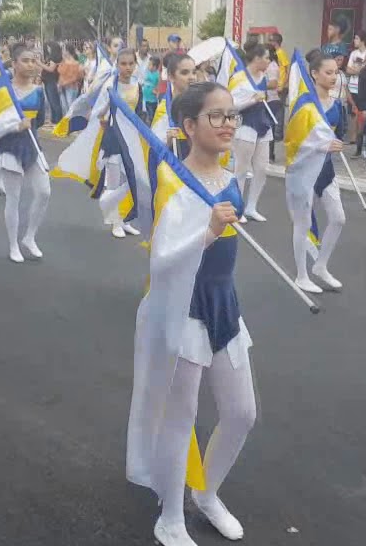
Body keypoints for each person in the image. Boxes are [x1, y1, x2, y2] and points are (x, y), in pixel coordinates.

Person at [126, 81, 256, 546]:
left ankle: (207, 493)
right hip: (184, 307)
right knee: (181, 416)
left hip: (225, 303)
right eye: (216, 116)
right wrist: (208, 230)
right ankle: (170, 516)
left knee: (242, 412)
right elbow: (160, 260)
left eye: (231, 115)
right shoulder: (174, 183)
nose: (227, 124)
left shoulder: (229, 178)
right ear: (188, 126)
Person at [287, 51, 347, 294]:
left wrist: (334, 145)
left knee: (339, 218)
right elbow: (292, 142)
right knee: (302, 222)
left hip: (326, 169)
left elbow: (338, 134)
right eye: (328, 72)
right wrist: (321, 145)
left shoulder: (338, 105)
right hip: (303, 170)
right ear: (314, 73)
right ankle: (301, 274)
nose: (334, 77)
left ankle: (320, 266)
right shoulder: (303, 105)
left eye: (336, 72)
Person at [0, 42, 50, 263]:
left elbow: (40, 120)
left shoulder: (38, 91)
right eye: (25, 60)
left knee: (44, 192)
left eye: (33, 60)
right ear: (14, 64)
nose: (31, 64)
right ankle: (13, 244)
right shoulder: (3, 91)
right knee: (13, 198)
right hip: (10, 148)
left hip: (33, 147)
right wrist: (14, 127)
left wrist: (29, 129)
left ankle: (29, 237)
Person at [99, 49, 144, 239]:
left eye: (130, 64)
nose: (127, 68)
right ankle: (115, 221)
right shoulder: (111, 85)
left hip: (131, 138)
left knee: (130, 180)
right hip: (114, 137)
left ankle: (124, 219)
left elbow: (140, 112)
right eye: (123, 64)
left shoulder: (137, 86)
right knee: (114, 181)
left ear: (135, 65)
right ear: (117, 65)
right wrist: (104, 119)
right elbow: (98, 111)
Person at [230, 41, 274, 223]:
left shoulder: (263, 76)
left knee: (262, 168)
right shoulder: (239, 77)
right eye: (266, 58)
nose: (269, 61)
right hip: (245, 124)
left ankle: (251, 207)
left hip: (263, 124)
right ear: (256, 58)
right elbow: (230, 106)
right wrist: (251, 100)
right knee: (241, 168)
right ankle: (237, 207)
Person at [40, 41, 63, 124]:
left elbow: (51, 69)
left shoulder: (55, 58)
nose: (48, 49)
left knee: (54, 101)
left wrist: (40, 64)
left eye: (49, 47)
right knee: (50, 101)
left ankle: (58, 120)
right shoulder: (49, 57)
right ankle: (53, 119)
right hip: (47, 80)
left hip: (52, 81)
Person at [57, 42, 84, 113]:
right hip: (62, 86)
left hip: (71, 87)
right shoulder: (64, 61)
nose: (62, 51)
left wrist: (63, 84)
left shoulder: (76, 63)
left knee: (70, 106)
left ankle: (71, 122)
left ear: (68, 51)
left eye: (64, 49)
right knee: (64, 107)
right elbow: (60, 72)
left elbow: (75, 77)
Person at [141, 55, 162, 126]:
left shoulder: (157, 75)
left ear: (155, 67)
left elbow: (159, 85)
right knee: (146, 113)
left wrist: (157, 91)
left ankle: (152, 126)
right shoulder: (147, 72)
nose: (148, 65)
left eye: (150, 64)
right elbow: (144, 81)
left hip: (152, 100)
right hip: (145, 98)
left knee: (151, 114)